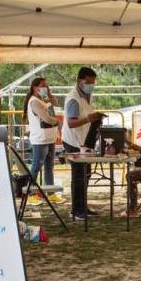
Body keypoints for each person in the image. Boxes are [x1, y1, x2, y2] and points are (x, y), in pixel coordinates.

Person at [60, 67, 106, 221]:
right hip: (73, 141)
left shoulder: (87, 95)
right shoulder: (73, 98)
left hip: (83, 141)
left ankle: (83, 206)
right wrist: (89, 118)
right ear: (80, 81)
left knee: (86, 174)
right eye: (88, 82)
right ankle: (76, 210)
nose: (91, 85)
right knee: (78, 176)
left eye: (93, 82)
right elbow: (71, 123)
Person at [22, 77, 65, 206]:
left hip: (50, 138)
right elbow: (46, 118)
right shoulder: (34, 102)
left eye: (47, 86)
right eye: (42, 86)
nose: (45, 88)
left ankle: (51, 194)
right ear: (35, 88)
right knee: (36, 167)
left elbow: (55, 104)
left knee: (49, 167)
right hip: (40, 140)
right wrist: (58, 122)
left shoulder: (43, 99)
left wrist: (50, 96)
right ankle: (30, 194)